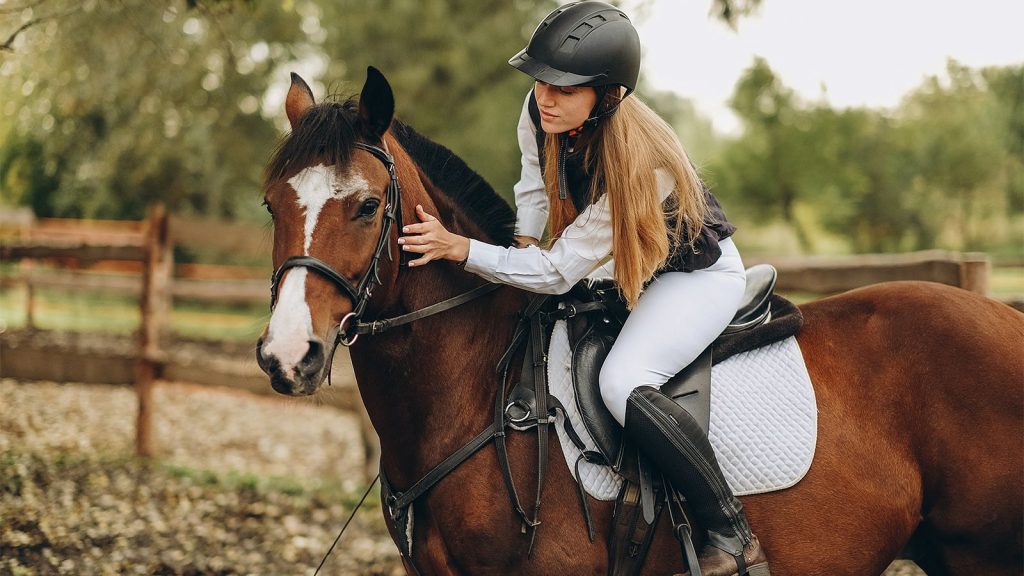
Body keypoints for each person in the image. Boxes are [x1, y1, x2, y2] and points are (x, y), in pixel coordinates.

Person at [398, 2, 769, 575]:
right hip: (619, 269)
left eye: (565, 89)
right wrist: (520, 242)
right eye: (542, 81)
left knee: (624, 381)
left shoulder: (643, 164)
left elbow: (558, 271)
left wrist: (460, 248)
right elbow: (532, 184)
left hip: (691, 277)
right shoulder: (540, 111)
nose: (546, 97)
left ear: (609, 96)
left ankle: (727, 527)